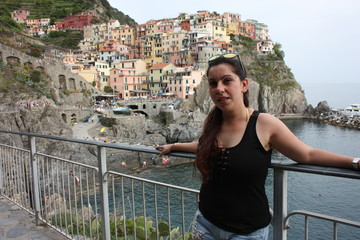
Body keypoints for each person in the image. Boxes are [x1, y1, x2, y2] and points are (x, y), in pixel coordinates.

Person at [155, 53, 359, 240]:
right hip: (205, 224)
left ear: (244, 85)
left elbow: (307, 154)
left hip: (247, 232)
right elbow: (204, 147)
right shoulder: (213, 123)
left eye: (227, 81)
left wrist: (354, 162)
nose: (219, 88)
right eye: (213, 83)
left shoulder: (264, 124)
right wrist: (173, 146)